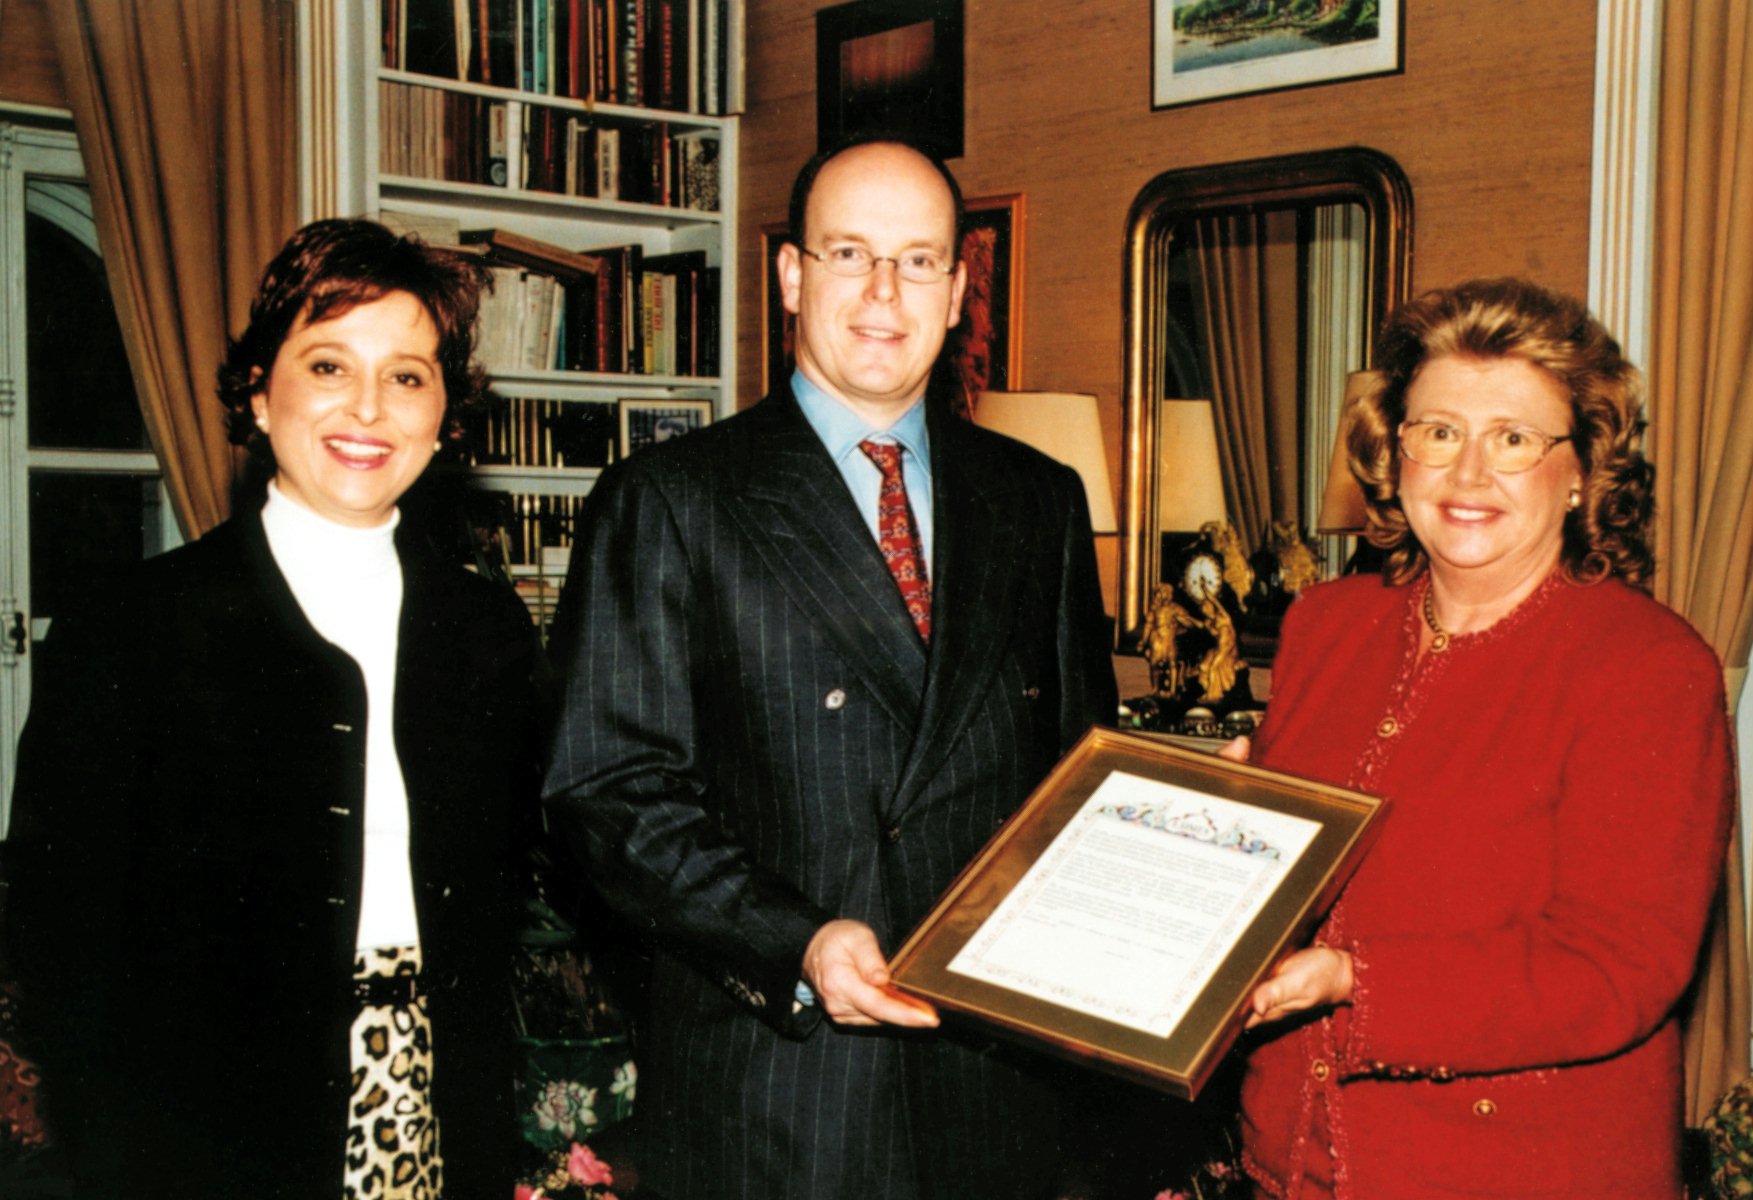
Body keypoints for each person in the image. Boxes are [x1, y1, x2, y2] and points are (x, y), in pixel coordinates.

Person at [542, 134, 1116, 1200]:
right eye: (849, 254)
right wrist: (796, 942)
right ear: (792, 274)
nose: (883, 293)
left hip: (996, 1093)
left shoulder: (1038, 498)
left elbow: (1079, 779)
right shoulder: (670, 499)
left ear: (957, 292)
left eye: (919, 260)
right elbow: (609, 795)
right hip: (781, 1090)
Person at [4, 219, 540, 1198]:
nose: (369, 408)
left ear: (444, 412)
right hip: (197, 1129)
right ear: (258, 391)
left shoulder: (488, 630)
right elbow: (58, 927)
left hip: (433, 1099)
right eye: (329, 365)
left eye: (408, 375)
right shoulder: (132, 625)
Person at [1234, 277, 1734, 1198]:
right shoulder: (1324, 625)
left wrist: (1355, 979)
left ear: (1583, 466)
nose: (1468, 476)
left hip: (1514, 1167)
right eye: (1437, 432)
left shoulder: (1648, 669)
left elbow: (1616, 967)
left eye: (1512, 439)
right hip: (1287, 1157)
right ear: (1394, 455)